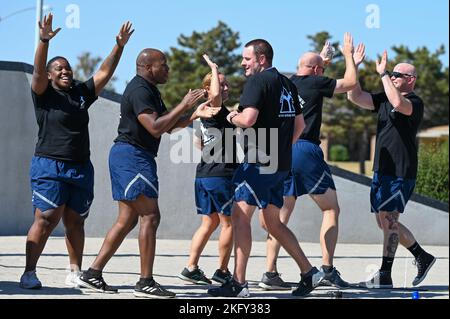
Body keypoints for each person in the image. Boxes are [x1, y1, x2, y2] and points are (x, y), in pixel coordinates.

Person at [78, 48, 214, 298]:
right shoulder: (140, 89)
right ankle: (145, 282)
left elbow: (167, 126)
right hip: (132, 157)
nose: (168, 69)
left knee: (128, 220)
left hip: (133, 157)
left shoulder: (150, 91)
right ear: (148, 67)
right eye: (164, 65)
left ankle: (92, 274)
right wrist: (184, 103)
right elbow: (153, 127)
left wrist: (192, 114)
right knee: (150, 216)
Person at [20, 13, 133, 289]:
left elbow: (104, 73)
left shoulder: (81, 93)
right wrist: (44, 41)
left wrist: (118, 46)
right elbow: (36, 72)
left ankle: (74, 271)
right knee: (46, 219)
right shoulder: (43, 93)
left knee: (76, 222)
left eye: (68, 68)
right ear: (50, 75)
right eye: (58, 68)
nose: (65, 71)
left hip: (81, 167)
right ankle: (29, 273)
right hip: (49, 165)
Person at [208, 39, 324, 298]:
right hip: (279, 164)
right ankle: (309, 272)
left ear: (261, 59)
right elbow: (300, 126)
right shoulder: (287, 83)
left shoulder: (258, 82)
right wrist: (281, 151)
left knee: (239, 218)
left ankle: (238, 283)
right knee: (272, 222)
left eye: (247, 59)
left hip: (258, 162)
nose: (242, 64)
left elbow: (247, 120)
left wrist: (228, 115)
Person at [258, 33, 360, 290]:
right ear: (317, 70)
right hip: (304, 148)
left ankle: (270, 273)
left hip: (280, 151)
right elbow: (349, 83)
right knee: (330, 209)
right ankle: (327, 269)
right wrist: (349, 56)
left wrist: (322, 60)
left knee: (279, 217)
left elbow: (312, 74)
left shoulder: (287, 84)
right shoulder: (316, 83)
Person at [347, 50, 436, 288]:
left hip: (400, 170)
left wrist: (384, 73)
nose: (394, 77)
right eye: (393, 74)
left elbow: (398, 102)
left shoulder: (414, 102)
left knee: (390, 219)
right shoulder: (384, 98)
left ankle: (385, 274)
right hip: (382, 169)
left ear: (411, 79)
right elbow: (354, 97)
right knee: (383, 221)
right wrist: (353, 66)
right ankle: (421, 256)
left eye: (398, 74)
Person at [178, 54, 237, 285]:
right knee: (228, 223)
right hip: (220, 175)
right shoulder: (214, 107)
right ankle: (222, 272)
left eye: (226, 83)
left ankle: (190, 267)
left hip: (204, 174)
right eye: (220, 83)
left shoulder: (202, 115)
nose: (224, 86)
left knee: (208, 223)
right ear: (209, 87)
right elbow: (214, 95)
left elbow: (198, 144)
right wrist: (214, 67)